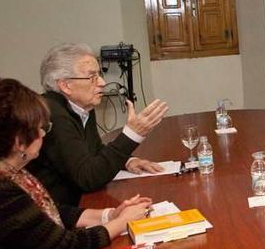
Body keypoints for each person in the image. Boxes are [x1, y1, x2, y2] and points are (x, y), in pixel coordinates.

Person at [0, 78, 152, 249]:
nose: (43, 135)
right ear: (19, 142)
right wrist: (122, 224)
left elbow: (48, 214)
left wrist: (109, 214)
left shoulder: (14, 172)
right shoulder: (3, 191)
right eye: (41, 129)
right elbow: (62, 244)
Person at [28, 43, 169, 206]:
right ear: (66, 85)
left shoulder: (80, 105)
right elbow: (88, 178)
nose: (102, 82)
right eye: (92, 77)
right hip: (61, 213)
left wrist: (128, 161)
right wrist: (132, 135)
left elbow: (93, 151)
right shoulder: (52, 114)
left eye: (99, 74)